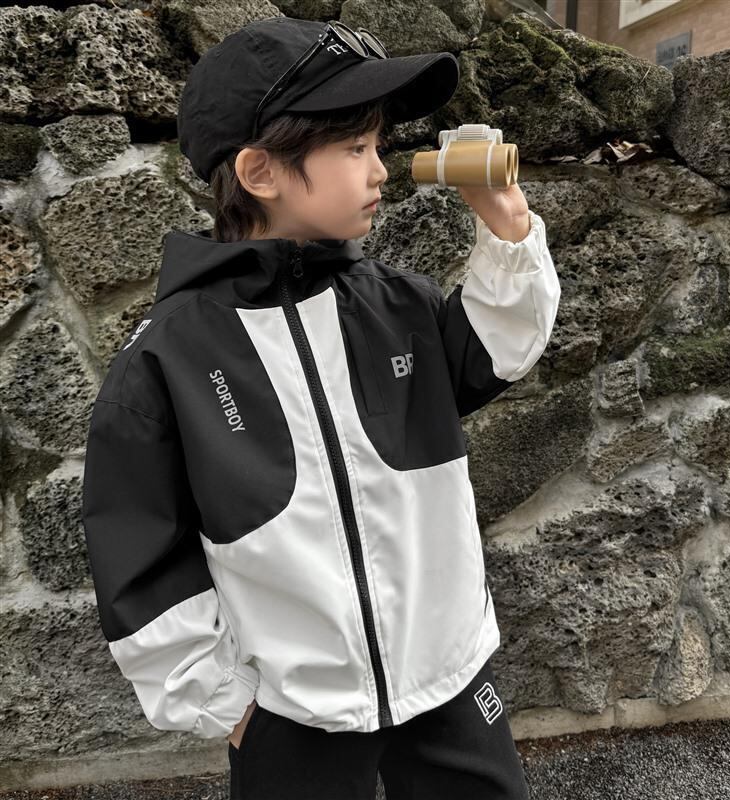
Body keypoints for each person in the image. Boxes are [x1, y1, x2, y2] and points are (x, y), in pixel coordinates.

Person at [81, 15, 561, 800]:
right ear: (261, 171)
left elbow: (496, 350)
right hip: (293, 710)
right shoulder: (169, 358)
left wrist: (508, 231)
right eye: (355, 148)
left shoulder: (398, 305)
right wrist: (226, 703)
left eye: (378, 145)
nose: (381, 170)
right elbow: (140, 548)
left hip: (448, 674)